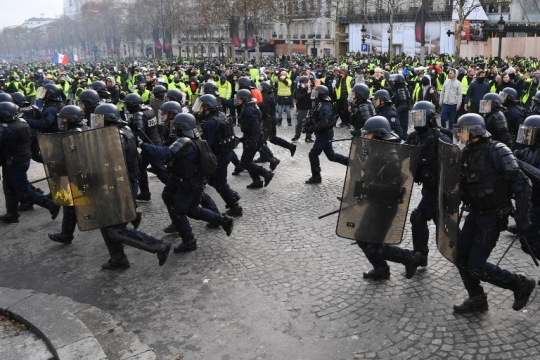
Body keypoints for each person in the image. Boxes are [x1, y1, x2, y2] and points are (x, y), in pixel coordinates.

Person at [452, 113, 535, 313]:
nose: (459, 136)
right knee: (461, 257)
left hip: (492, 217)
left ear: (474, 132)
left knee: (476, 266)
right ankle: (477, 299)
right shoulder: (467, 153)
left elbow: (523, 184)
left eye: (462, 131)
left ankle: (519, 283)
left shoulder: (497, 151)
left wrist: (522, 218)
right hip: (475, 214)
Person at [90, 103, 172, 270]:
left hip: (121, 185)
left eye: (99, 119)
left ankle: (159, 246)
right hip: (121, 183)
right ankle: (118, 258)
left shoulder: (116, 137)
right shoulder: (120, 130)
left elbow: (113, 164)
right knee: (105, 223)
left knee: (116, 230)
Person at [140, 113, 234, 253]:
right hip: (189, 180)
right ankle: (223, 221)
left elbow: (166, 153)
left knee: (179, 212)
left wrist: (142, 145)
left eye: (176, 125)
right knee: (190, 209)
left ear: (182, 127)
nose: (174, 128)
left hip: (189, 183)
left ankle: (189, 242)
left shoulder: (185, 141)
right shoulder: (193, 138)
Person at [355, 116, 422, 280]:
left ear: (378, 134)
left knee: (375, 246)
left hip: (385, 207)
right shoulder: (378, 149)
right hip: (375, 202)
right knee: (361, 237)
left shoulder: (390, 157)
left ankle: (410, 258)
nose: (365, 137)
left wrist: (368, 190)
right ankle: (381, 269)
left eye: (368, 134)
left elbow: (394, 189)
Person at [405, 101, 452, 266]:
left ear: (429, 118)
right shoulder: (414, 137)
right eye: (415, 117)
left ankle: (420, 256)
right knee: (442, 221)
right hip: (427, 186)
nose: (417, 120)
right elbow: (402, 157)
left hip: (440, 188)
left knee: (418, 217)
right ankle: (461, 250)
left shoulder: (441, 139)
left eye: (420, 117)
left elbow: (453, 166)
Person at [0, 101, 60, 223]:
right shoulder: (22, 124)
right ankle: (12, 213)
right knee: (9, 186)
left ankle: (49, 203)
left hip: (13, 162)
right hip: (21, 159)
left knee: (23, 189)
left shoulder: (5, 130)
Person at [193, 94, 243, 217]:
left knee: (219, 183)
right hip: (225, 153)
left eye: (201, 107)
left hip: (218, 157)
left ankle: (235, 207)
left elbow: (207, 144)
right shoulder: (221, 115)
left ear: (208, 107)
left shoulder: (210, 122)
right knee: (216, 181)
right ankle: (233, 196)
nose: (199, 109)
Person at [47, 105, 90, 243]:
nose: (62, 121)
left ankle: (66, 234)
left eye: (64, 118)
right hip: (85, 172)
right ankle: (66, 234)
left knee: (71, 205)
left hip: (77, 174)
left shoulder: (72, 134)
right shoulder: (85, 128)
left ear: (71, 119)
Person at [124, 93, 169, 201]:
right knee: (140, 168)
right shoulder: (148, 109)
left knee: (161, 172)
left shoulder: (138, 115)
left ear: (132, 105)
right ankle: (145, 193)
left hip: (150, 147)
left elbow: (139, 134)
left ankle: (177, 189)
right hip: (154, 143)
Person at [304, 85, 349, 184]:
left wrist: (310, 129)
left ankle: (316, 177)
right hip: (323, 133)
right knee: (331, 156)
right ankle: (351, 163)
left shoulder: (325, 106)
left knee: (313, 154)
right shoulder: (320, 103)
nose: (314, 95)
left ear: (321, 95)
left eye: (317, 93)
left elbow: (324, 123)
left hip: (325, 134)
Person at [235, 89, 274, 189]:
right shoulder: (250, 106)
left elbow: (255, 126)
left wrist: (253, 141)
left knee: (245, 162)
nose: (237, 100)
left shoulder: (248, 109)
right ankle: (257, 181)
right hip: (251, 137)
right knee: (248, 160)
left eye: (239, 98)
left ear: (244, 99)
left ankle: (266, 174)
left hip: (252, 138)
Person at [513, 115, 540, 258]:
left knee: (529, 241)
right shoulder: (530, 149)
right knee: (527, 243)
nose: (527, 135)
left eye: (530, 132)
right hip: (534, 201)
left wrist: (521, 164)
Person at [389, 74, 412, 139]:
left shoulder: (400, 90)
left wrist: (395, 112)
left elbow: (404, 105)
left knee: (402, 132)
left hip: (402, 114)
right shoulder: (400, 89)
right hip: (401, 113)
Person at [292, 76, 313, 142]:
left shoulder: (309, 88)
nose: (306, 83)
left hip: (309, 107)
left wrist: (311, 91)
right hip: (302, 108)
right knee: (300, 123)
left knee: (309, 123)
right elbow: (299, 97)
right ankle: (296, 136)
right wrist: (306, 93)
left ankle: (308, 137)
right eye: (304, 82)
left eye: (307, 82)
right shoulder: (298, 89)